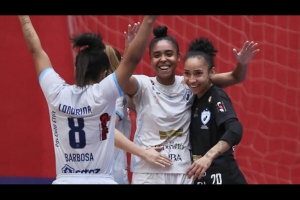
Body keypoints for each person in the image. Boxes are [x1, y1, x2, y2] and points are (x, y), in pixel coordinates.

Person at [17, 15, 172, 184]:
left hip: (65, 180)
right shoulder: (103, 93)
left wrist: (23, 17)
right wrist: (148, 20)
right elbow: (132, 60)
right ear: (104, 74)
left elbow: (36, 49)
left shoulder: (56, 92)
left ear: (77, 68)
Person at [121, 25, 259, 184]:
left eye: (169, 54)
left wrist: (242, 63)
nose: (163, 59)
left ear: (178, 57)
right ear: (150, 59)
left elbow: (235, 77)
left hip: (183, 171)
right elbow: (121, 80)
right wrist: (129, 53)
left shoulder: (190, 83)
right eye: (157, 55)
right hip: (148, 170)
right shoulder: (143, 84)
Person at [184, 37, 258, 184]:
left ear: (211, 72)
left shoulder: (216, 95)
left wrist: (208, 156)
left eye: (198, 73)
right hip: (202, 177)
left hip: (224, 176)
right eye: (187, 73)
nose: (192, 79)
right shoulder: (192, 98)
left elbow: (235, 129)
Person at [104, 44, 136, 184]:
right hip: (102, 171)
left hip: (112, 173)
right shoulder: (103, 94)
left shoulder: (117, 95)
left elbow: (107, 127)